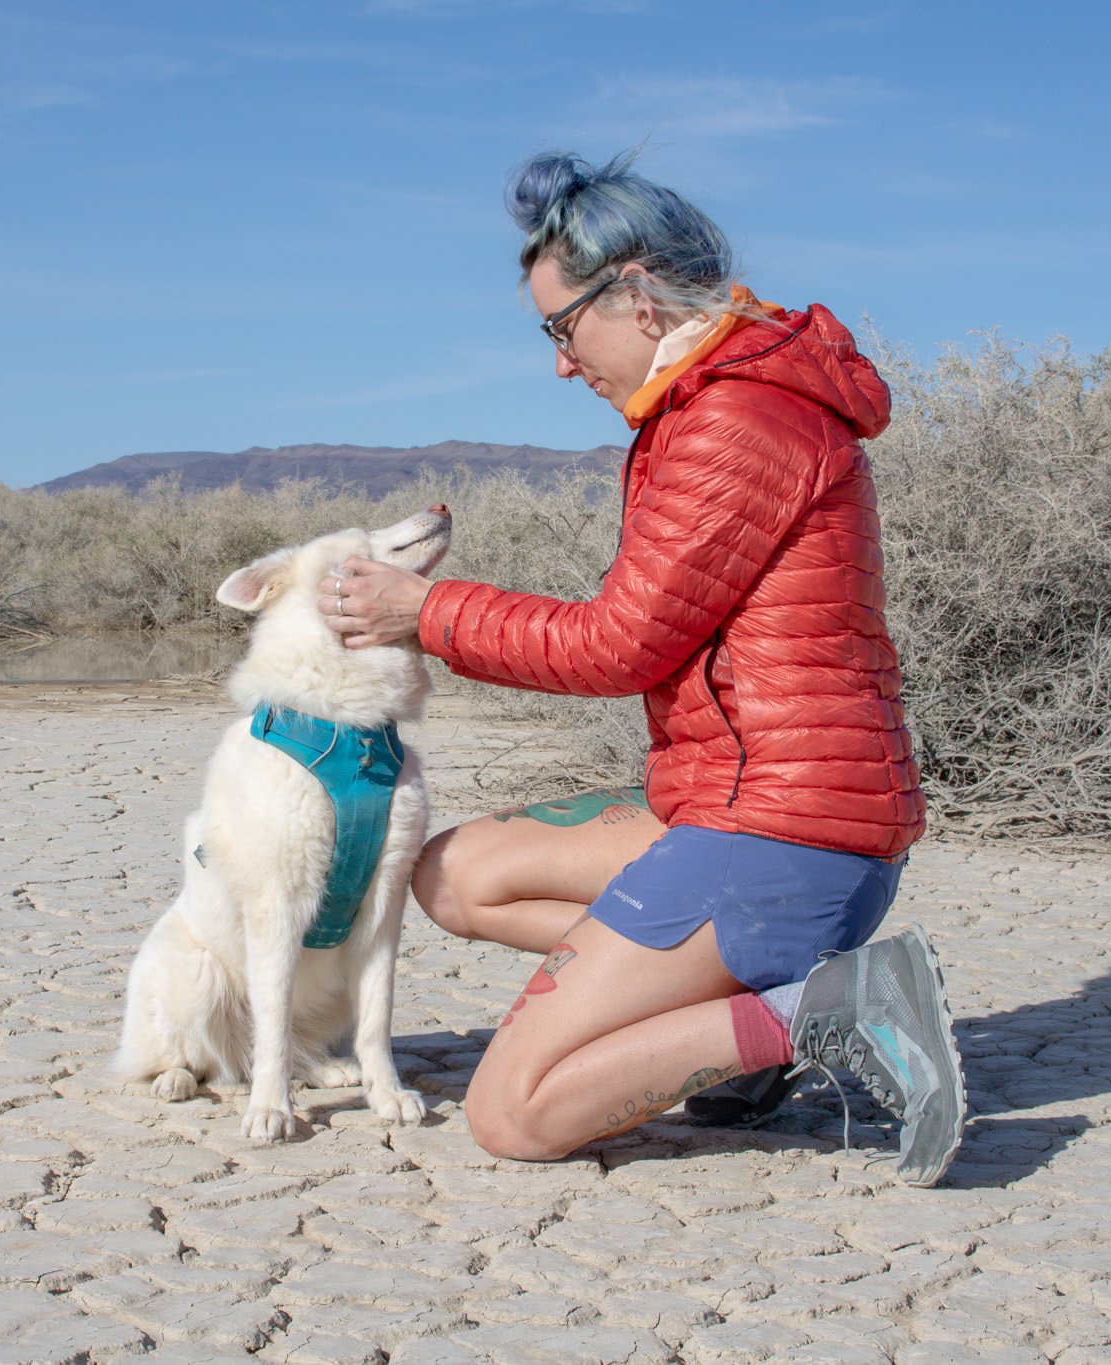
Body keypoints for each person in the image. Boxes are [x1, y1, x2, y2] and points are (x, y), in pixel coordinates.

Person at [318, 151, 965, 1185]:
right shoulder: (708, 402)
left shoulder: (733, 420)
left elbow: (616, 647)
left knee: (514, 1112)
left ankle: (818, 1016)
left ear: (634, 296)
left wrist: (424, 610)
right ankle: (733, 1036)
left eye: (560, 329)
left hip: (786, 836)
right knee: (451, 873)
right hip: (742, 807)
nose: (561, 365)